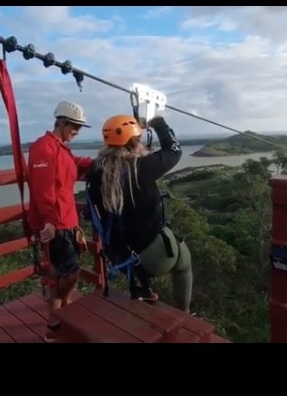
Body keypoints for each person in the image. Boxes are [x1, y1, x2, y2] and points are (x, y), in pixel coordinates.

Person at [86, 114, 193, 314]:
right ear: (134, 142)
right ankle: (184, 314)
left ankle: (141, 289)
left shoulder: (96, 171)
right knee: (184, 264)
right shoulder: (141, 167)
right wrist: (159, 124)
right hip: (152, 256)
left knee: (130, 232)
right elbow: (174, 150)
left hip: (120, 256)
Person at [27, 100, 94, 342]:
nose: (76, 131)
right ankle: (55, 323)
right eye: (74, 126)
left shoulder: (59, 147)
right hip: (57, 225)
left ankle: (59, 317)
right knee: (69, 274)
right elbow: (43, 190)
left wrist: (99, 163)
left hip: (66, 221)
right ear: (62, 122)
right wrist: (50, 222)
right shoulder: (44, 148)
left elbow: (72, 165)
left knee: (62, 273)